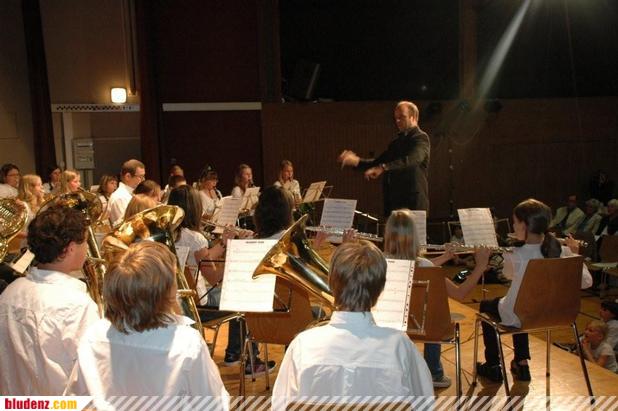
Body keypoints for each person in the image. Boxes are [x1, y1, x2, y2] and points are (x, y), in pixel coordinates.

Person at [64, 241, 229, 406]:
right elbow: (215, 404)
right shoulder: (187, 342)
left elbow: (74, 399)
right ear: (168, 293)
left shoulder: (93, 335)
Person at [272, 241, 434, 409]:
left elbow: (280, 406)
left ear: (331, 284)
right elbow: (425, 405)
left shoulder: (302, 346)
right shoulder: (400, 347)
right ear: (380, 289)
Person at [476, 199, 593, 383]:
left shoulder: (514, 253)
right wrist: (575, 254)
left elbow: (507, 275)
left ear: (524, 225)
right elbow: (587, 282)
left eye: (515, 222)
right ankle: (521, 363)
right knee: (523, 305)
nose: (513, 226)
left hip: (521, 314)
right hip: (556, 314)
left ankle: (493, 365)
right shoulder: (562, 251)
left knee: (487, 305)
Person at [383, 209, 491, 388]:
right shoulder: (426, 266)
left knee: (423, 309)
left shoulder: (379, 262)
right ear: (415, 236)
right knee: (433, 312)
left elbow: (414, 267)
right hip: (425, 328)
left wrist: (445, 256)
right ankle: (434, 372)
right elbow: (460, 293)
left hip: (391, 326)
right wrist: (480, 266)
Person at [0, 205, 99, 394]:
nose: (87, 248)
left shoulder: (10, 293)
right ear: (70, 248)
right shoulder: (78, 305)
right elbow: (91, 375)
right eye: (85, 242)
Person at [338, 101, 430, 215]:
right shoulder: (396, 143)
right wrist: (356, 161)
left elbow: (413, 159)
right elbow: (379, 162)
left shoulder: (421, 138)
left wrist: (383, 167)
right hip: (395, 203)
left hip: (413, 203)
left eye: (402, 117)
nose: (397, 121)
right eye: (396, 118)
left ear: (414, 117)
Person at [107, 159, 146, 226]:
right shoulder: (120, 197)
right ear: (128, 177)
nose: (143, 180)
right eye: (140, 177)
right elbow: (125, 226)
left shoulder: (131, 194)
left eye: (143, 176)